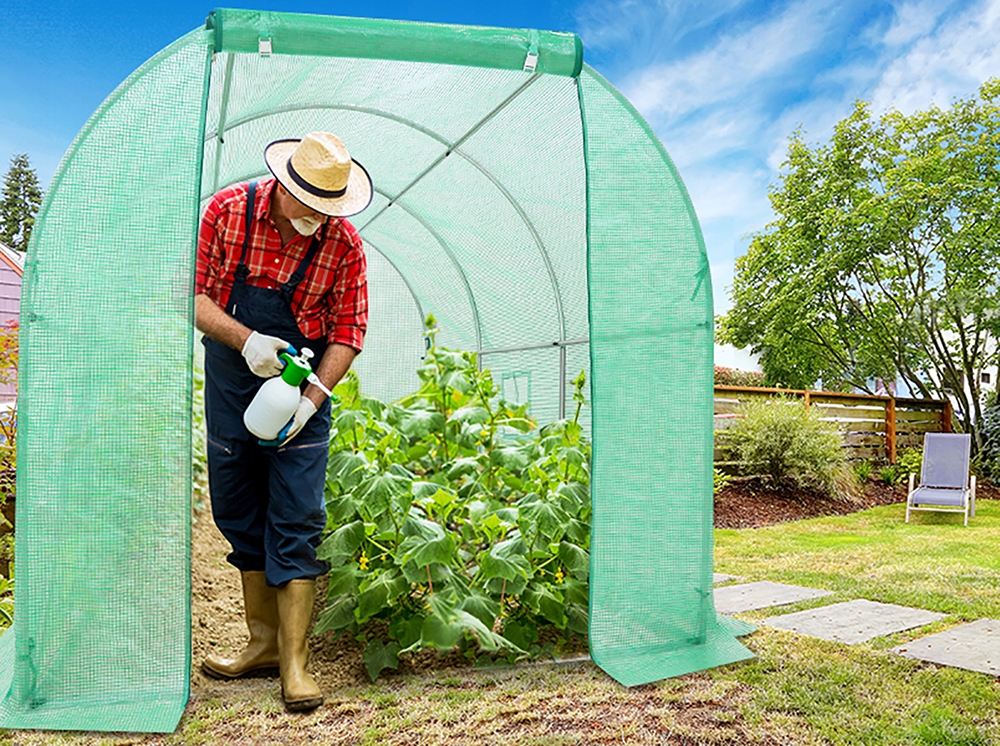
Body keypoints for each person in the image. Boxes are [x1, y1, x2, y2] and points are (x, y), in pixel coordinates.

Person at [195, 132, 371, 712]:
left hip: (299, 390)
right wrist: (246, 342)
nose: (322, 220)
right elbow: (191, 296)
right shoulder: (227, 212)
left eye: (332, 210)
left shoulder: (343, 246)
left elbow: (348, 331)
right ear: (286, 186)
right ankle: (263, 644)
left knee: (296, 512)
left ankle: (295, 663)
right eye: (313, 207)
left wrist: (311, 398)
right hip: (232, 375)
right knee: (238, 508)